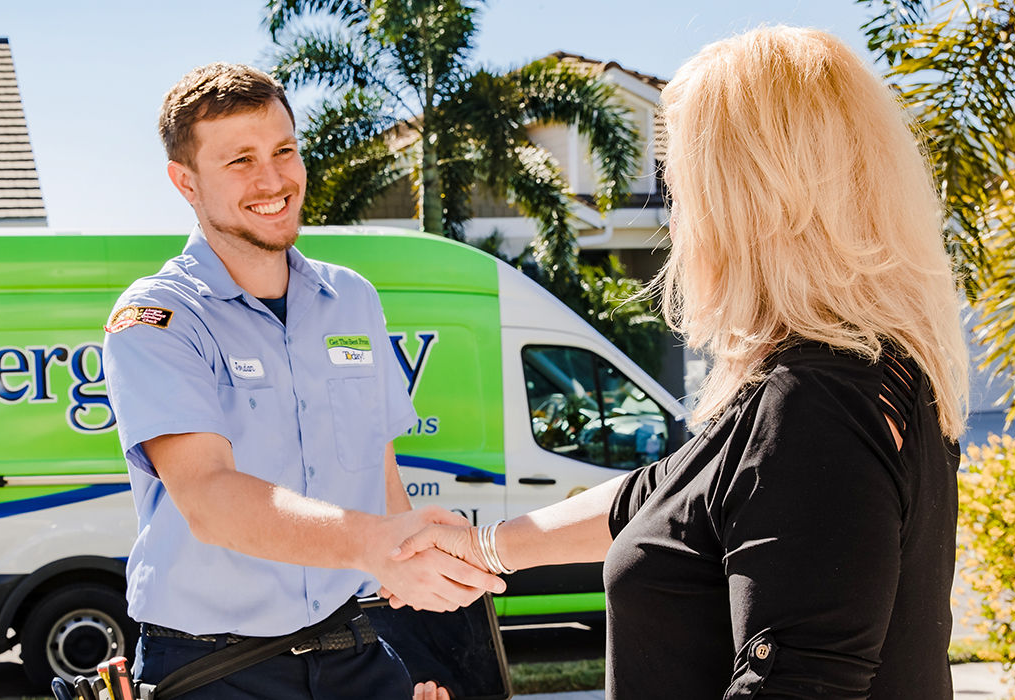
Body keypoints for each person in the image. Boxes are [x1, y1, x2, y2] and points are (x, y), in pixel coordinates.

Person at [398, 27, 971, 699]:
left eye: (682, 190)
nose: (675, 224)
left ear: (752, 203)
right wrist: (485, 547)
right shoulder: (881, 372)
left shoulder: (815, 406)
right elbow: (666, 493)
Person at [102, 63, 504, 699]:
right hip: (216, 671)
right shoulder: (158, 318)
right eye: (240, 160)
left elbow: (379, 464)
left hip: (352, 646)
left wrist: (410, 575)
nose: (273, 178)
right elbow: (208, 498)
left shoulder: (352, 299)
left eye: (284, 150)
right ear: (186, 182)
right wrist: (375, 543)